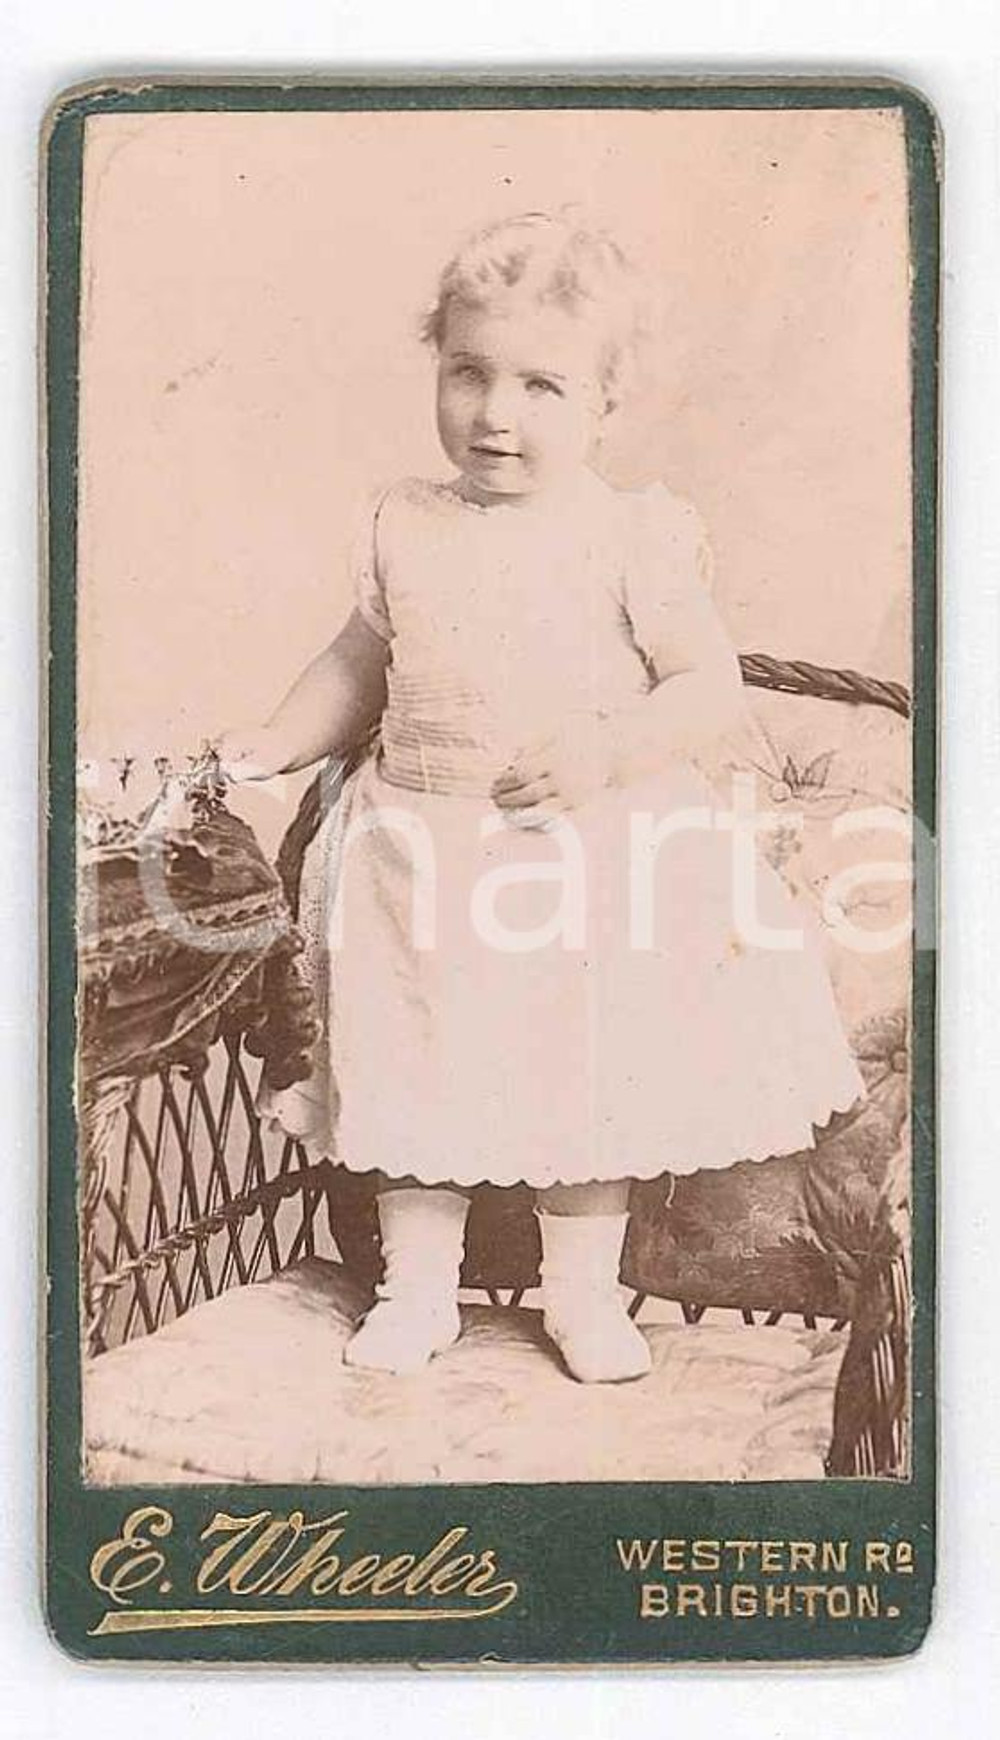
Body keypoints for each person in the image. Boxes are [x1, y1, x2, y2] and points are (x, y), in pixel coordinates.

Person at [218, 211, 864, 1384]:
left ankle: (582, 1295)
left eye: (541, 385)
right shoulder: (403, 522)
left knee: (582, 1071)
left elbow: (705, 685)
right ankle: (418, 1292)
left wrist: (609, 751)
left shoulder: (630, 534)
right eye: (467, 372)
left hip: (571, 857)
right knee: (411, 1062)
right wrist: (274, 738)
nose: (494, 413)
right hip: (417, 847)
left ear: (607, 403)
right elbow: (357, 665)